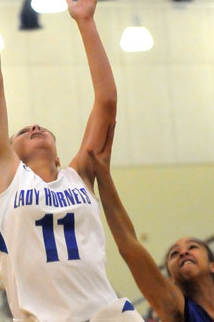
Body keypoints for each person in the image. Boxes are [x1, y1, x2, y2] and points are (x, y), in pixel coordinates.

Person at [0, 0, 144, 322]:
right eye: (23, 131)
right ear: (10, 152)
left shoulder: (80, 175)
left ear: (57, 149)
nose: (34, 127)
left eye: (40, 128)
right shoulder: (8, 181)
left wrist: (86, 22)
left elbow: (107, 102)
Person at [88, 124, 214, 322]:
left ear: (212, 266)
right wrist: (103, 176)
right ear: (170, 279)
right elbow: (130, 246)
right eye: (174, 253)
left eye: (193, 247)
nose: (183, 252)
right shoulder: (176, 308)